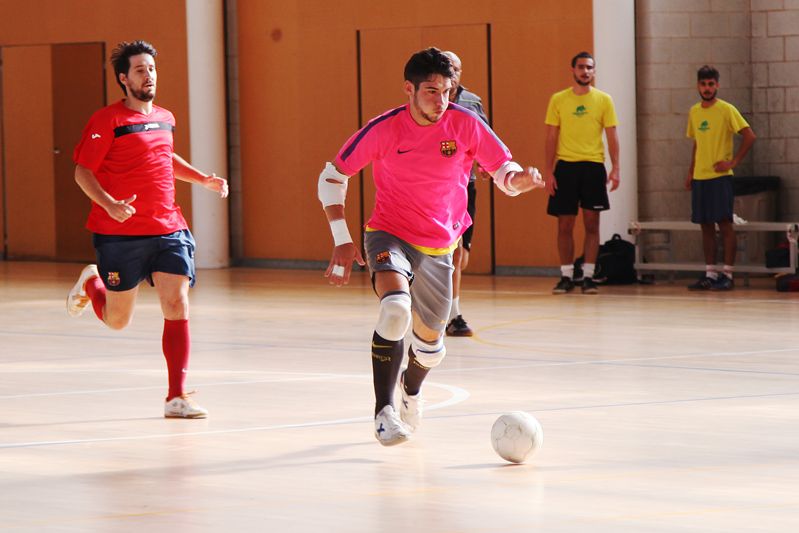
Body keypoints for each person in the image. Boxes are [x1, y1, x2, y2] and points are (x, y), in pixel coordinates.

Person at [318, 47, 544, 446]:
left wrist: (518, 182)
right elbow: (332, 176)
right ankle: (384, 412)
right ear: (409, 89)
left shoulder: (465, 124)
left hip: (441, 246)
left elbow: (502, 169)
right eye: (430, 91)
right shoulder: (385, 128)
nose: (440, 101)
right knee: (394, 310)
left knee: (431, 350)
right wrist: (343, 239)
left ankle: (411, 388)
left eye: (446, 91)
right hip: (389, 234)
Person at [66, 40, 229, 418]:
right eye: (140, 70)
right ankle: (93, 283)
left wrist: (202, 178)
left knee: (177, 302)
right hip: (120, 233)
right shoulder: (107, 120)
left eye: (151, 68)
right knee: (118, 321)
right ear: (124, 78)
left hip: (169, 227)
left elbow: (164, 157)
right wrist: (109, 204)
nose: (148, 75)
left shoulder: (165, 117)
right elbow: (82, 171)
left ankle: (176, 397)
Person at [543, 51, 620, 295]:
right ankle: (566, 276)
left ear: (594, 71)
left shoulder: (604, 100)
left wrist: (615, 167)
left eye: (589, 67)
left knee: (592, 224)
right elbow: (551, 135)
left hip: (593, 167)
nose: (585, 71)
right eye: (581, 67)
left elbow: (612, 135)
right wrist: (548, 170)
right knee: (564, 224)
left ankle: (588, 276)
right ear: (573, 70)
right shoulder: (558, 99)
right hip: (565, 167)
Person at [685, 65, 756, 291]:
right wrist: (690, 172)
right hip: (700, 177)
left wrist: (733, 162)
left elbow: (749, 135)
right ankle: (710, 273)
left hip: (720, 177)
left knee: (724, 224)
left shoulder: (726, 110)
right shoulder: (694, 111)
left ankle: (728, 273)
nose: (707, 88)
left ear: (717, 85)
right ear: (698, 86)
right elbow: (697, 143)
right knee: (705, 226)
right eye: (703, 84)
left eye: (711, 84)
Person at [442, 50, 489, 337]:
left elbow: (486, 138)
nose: (454, 73)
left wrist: (486, 163)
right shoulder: (430, 101)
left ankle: (449, 309)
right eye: (449, 68)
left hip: (466, 184)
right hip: (437, 186)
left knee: (461, 256)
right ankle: (452, 315)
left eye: (457, 68)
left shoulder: (472, 103)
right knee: (449, 253)